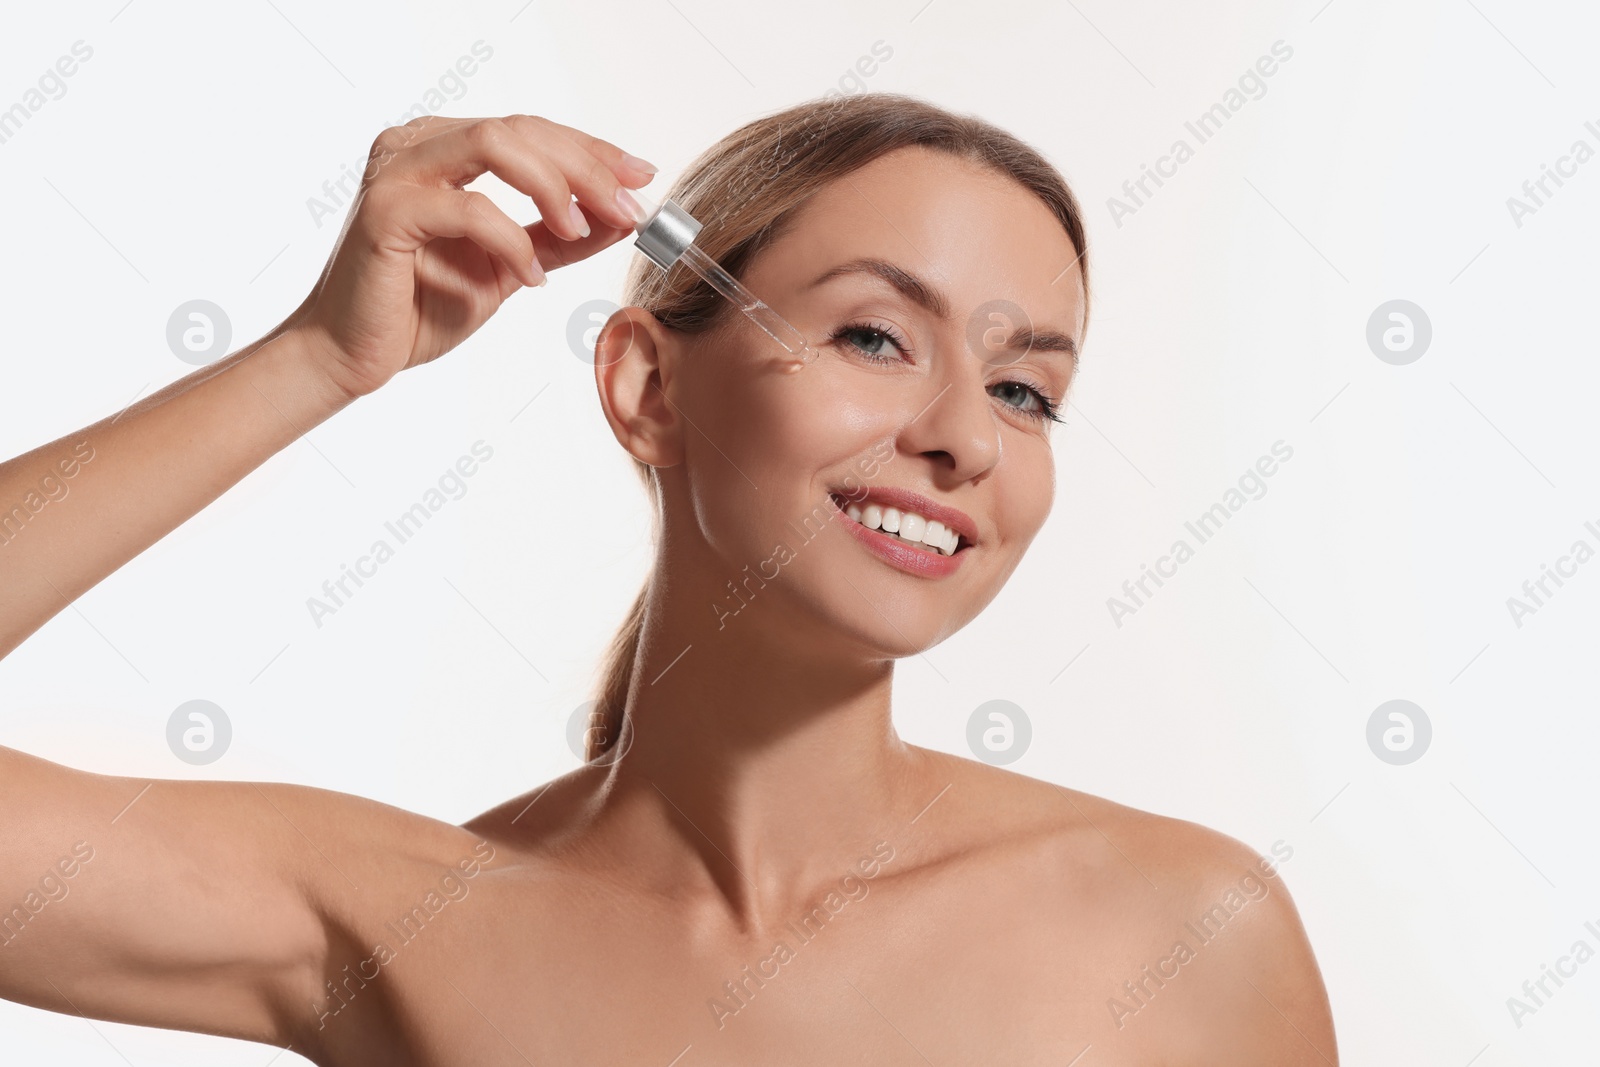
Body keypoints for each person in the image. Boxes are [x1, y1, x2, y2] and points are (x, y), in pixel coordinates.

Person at [0, 95, 1338, 1064]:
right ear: (647, 387)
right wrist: (313, 361)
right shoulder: (399, 921)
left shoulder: (1185, 934)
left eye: (1024, 388)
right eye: (876, 335)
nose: (967, 437)